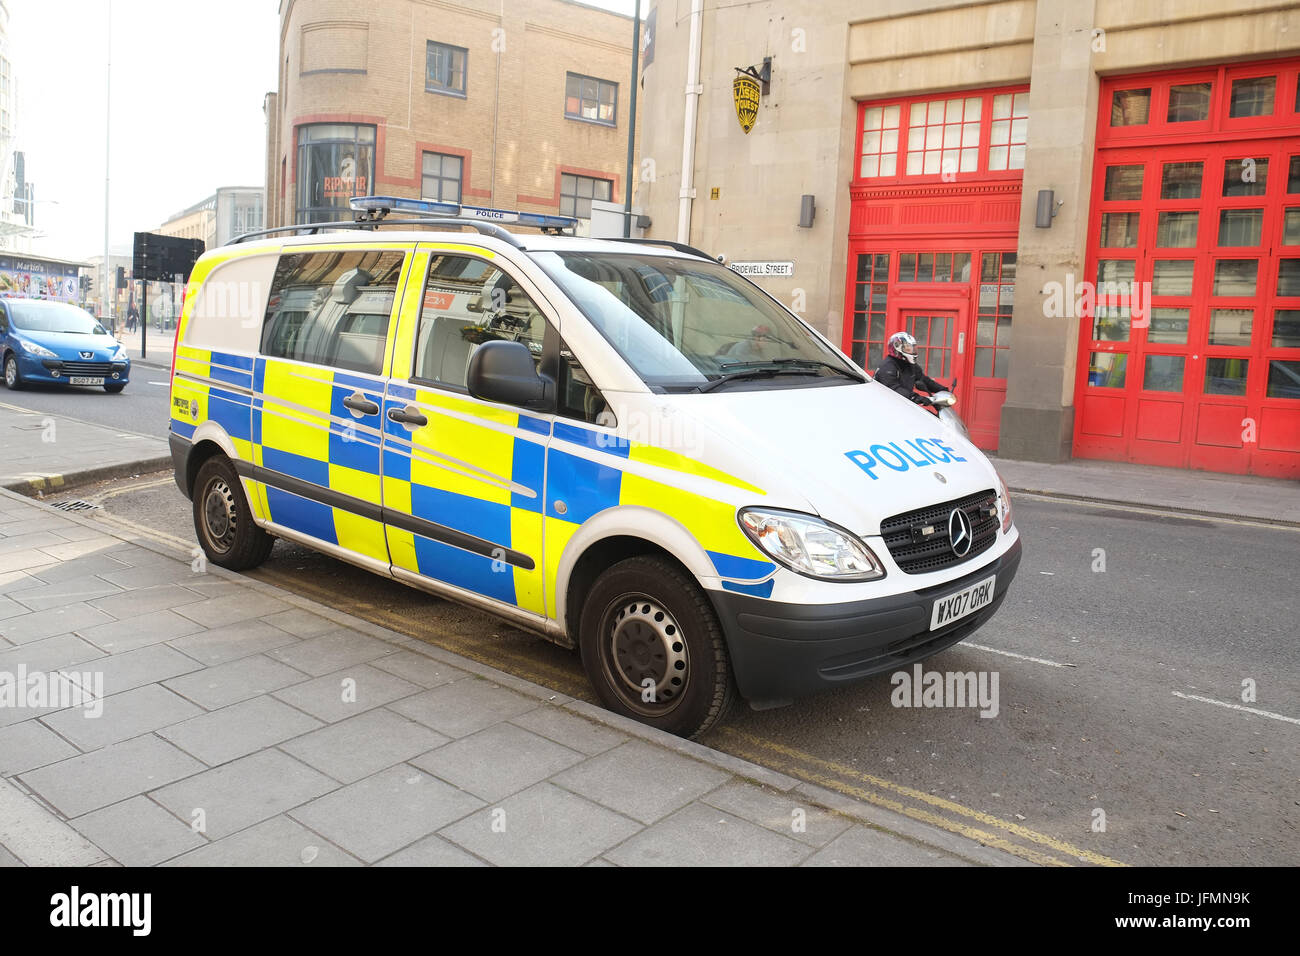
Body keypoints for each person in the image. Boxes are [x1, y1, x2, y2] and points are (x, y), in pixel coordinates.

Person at [874, 331, 946, 406]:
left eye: (913, 348)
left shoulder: (910, 365)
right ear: (897, 348)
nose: (912, 351)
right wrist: (915, 397)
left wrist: (942, 389)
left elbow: (924, 380)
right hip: (883, 405)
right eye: (908, 348)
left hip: (902, 403)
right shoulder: (888, 366)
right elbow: (893, 388)